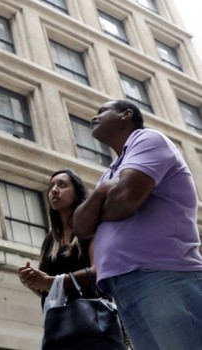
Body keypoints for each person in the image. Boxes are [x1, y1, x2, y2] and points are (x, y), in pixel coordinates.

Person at [73, 100, 202, 349]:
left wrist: (101, 202)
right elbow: (80, 227)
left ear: (126, 115)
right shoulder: (111, 171)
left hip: (162, 276)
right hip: (124, 286)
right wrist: (102, 193)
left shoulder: (148, 139)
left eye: (102, 111)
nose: (94, 117)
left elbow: (124, 201)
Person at [18, 169, 99, 304]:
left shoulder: (90, 227)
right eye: (51, 187)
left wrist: (51, 281)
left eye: (62, 185)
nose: (54, 190)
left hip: (94, 316)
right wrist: (31, 282)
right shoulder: (50, 239)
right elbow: (47, 292)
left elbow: (98, 272)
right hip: (61, 320)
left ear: (77, 193)